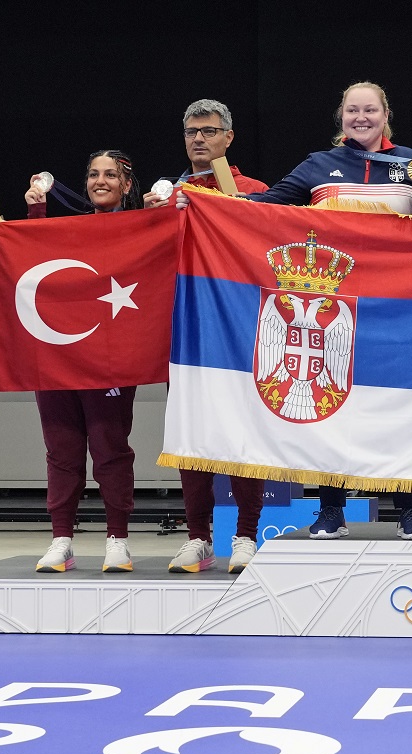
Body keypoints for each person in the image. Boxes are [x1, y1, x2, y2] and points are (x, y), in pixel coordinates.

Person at [183, 81, 412, 541]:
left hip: (399, 310)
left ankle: (410, 509)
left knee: (401, 409)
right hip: (335, 311)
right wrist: (204, 202)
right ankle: (329, 510)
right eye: (351, 110)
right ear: (340, 117)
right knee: (331, 408)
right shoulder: (319, 166)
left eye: (369, 110)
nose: (360, 118)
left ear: (385, 114)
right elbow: (265, 206)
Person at [145, 99, 268, 574]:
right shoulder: (167, 194)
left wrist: (235, 209)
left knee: (243, 433)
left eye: (210, 131)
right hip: (187, 335)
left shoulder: (256, 190)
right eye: (192, 131)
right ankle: (198, 538)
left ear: (228, 138)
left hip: (239, 332)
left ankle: (246, 535)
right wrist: (153, 217)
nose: (199, 139)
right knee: (190, 432)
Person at [26, 150, 142, 574]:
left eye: (110, 174)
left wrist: (162, 211)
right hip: (58, 357)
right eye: (93, 174)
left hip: (110, 360)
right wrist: (36, 207)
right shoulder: (68, 227)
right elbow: (31, 256)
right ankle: (61, 540)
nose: (100, 181)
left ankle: (118, 540)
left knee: (110, 450)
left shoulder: (140, 228)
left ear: (126, 184)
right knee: (61, 452)